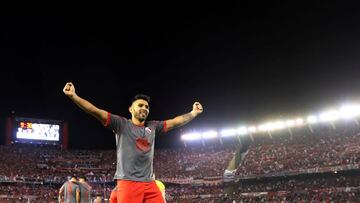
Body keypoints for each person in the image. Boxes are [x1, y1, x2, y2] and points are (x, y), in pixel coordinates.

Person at [63, 82, 203, 203]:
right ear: (131, 109)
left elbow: (175, 122)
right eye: (140, 105)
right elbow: (95, 111)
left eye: (147, 106)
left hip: (149, 183)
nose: (144, 108)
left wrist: (193, 113)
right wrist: (74, 96)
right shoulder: (121, 124)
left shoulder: (153, 126)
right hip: (128, 182)